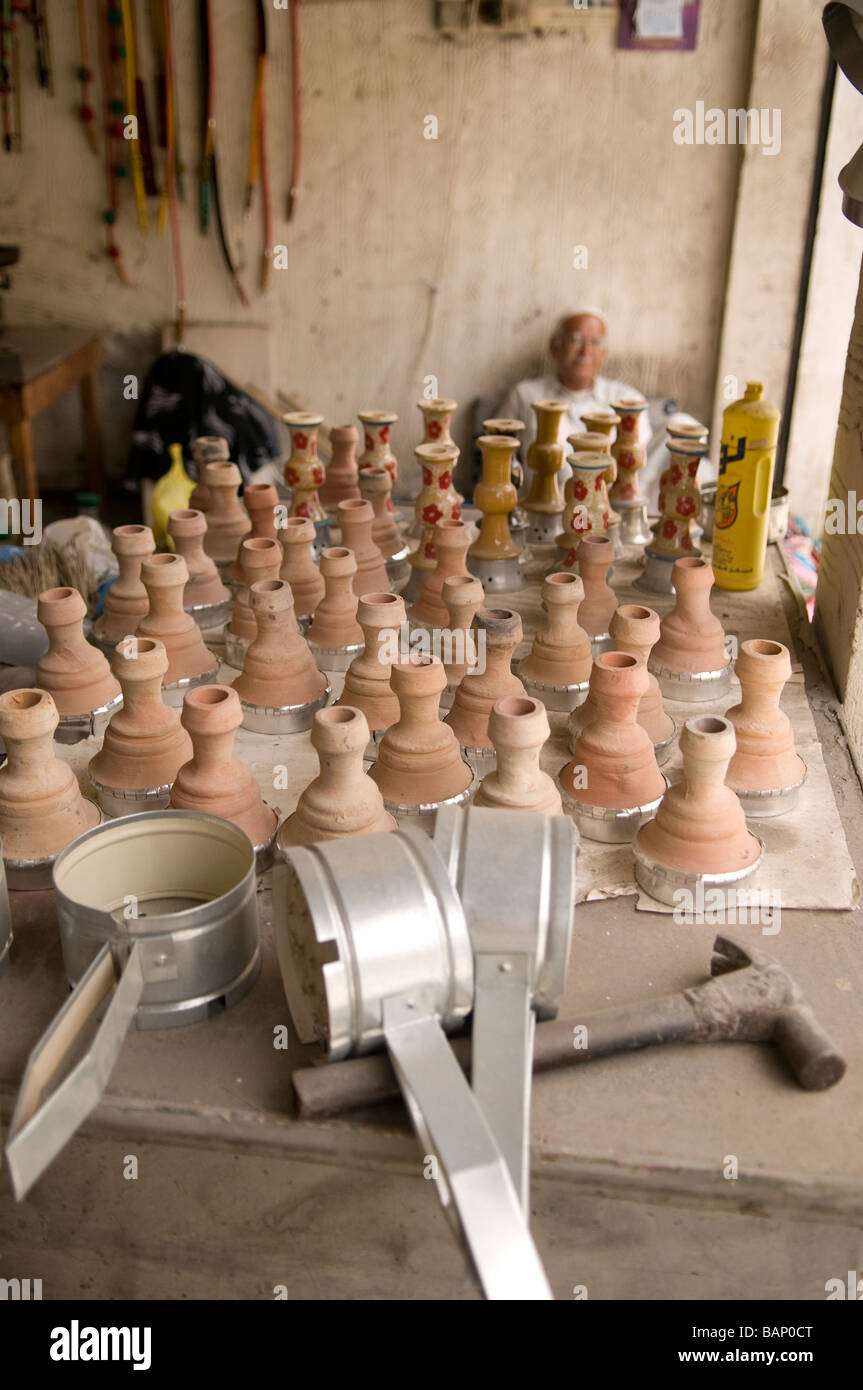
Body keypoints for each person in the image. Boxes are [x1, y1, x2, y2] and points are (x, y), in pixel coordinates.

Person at [496, 308, 650, 486]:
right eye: (575, 340)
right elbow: (500, 455)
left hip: (612, 500)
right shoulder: (525, 394)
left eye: (595, 342)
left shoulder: (626, 398)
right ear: (554, 347)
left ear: (604, 353)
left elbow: (642, 463)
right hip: (548, 505)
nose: (586, 350)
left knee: (681, 422)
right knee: (550, 427)